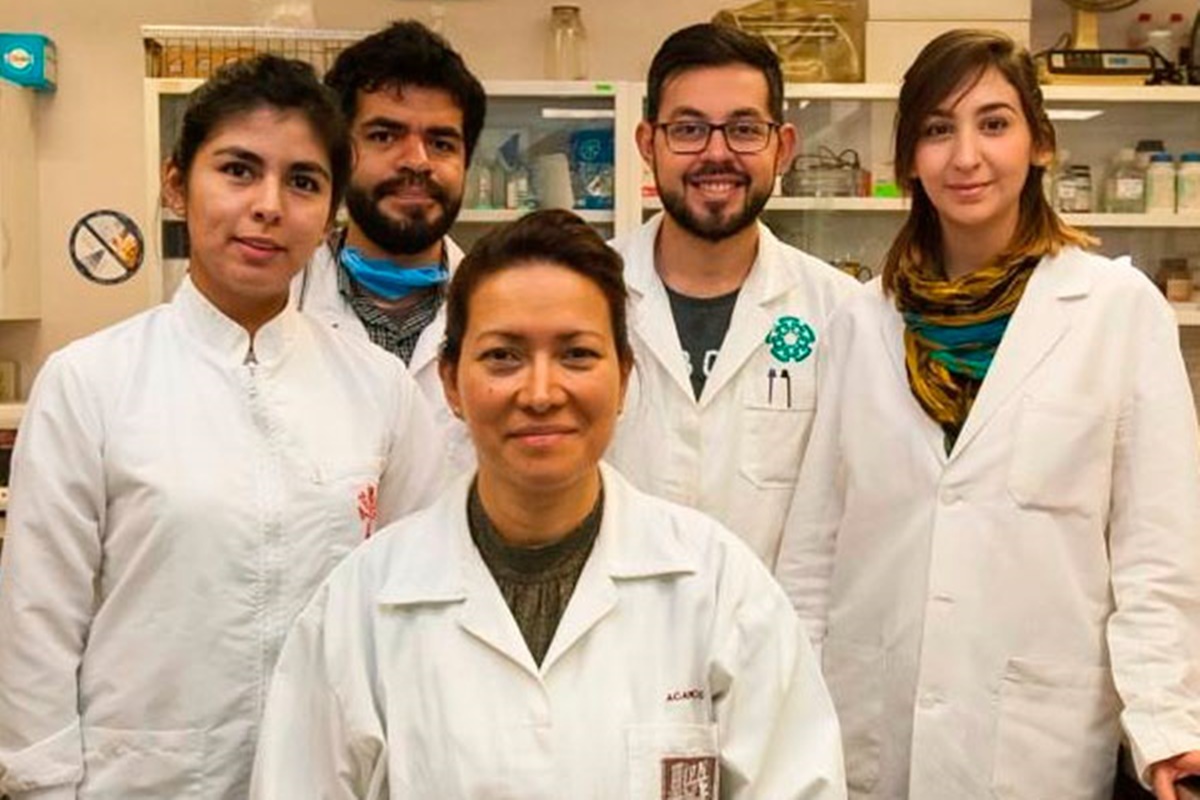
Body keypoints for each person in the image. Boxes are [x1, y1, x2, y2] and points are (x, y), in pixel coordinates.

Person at [250, 209, 847, 799]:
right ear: (453, 384)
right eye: (503, 356)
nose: (540, 393)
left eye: (577, 355)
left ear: (624, 376)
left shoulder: (718, 589)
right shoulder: (364, 606)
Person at [0, 55, 445, 799]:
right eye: (238, 170)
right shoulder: (92, 382)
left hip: (328, 776)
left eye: (303, 182)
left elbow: (419, 600)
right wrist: (43, 787)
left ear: (332, 210)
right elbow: (36, 621)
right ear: (177, 184)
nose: (269, 205)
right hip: (141, 780)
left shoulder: (379, 389)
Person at [774, 29, 1200, 800]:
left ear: (1039, 143)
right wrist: (787, 718)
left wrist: (1170, 724)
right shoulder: (863, 321)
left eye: (994, 124)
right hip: (873, 724)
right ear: (908, 157)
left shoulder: (1114, 311)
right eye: (938, 129)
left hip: (1040, 738)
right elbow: (815, 547)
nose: (965, 156)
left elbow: (1158, 552)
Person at [606, 23, 860, 568]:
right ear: (648, 144)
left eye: (744, 129)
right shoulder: (587, 291)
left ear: (783, 147)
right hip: (611, 637)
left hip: (770, 642)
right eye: (689, 129)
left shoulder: (842, 313)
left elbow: (844, 521)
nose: (716, 154)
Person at [292, 20, 486, 471]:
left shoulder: (501, 307)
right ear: (339, 155)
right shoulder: (280, 302)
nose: (417, 161)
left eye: (441, 142)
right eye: (384, 135)